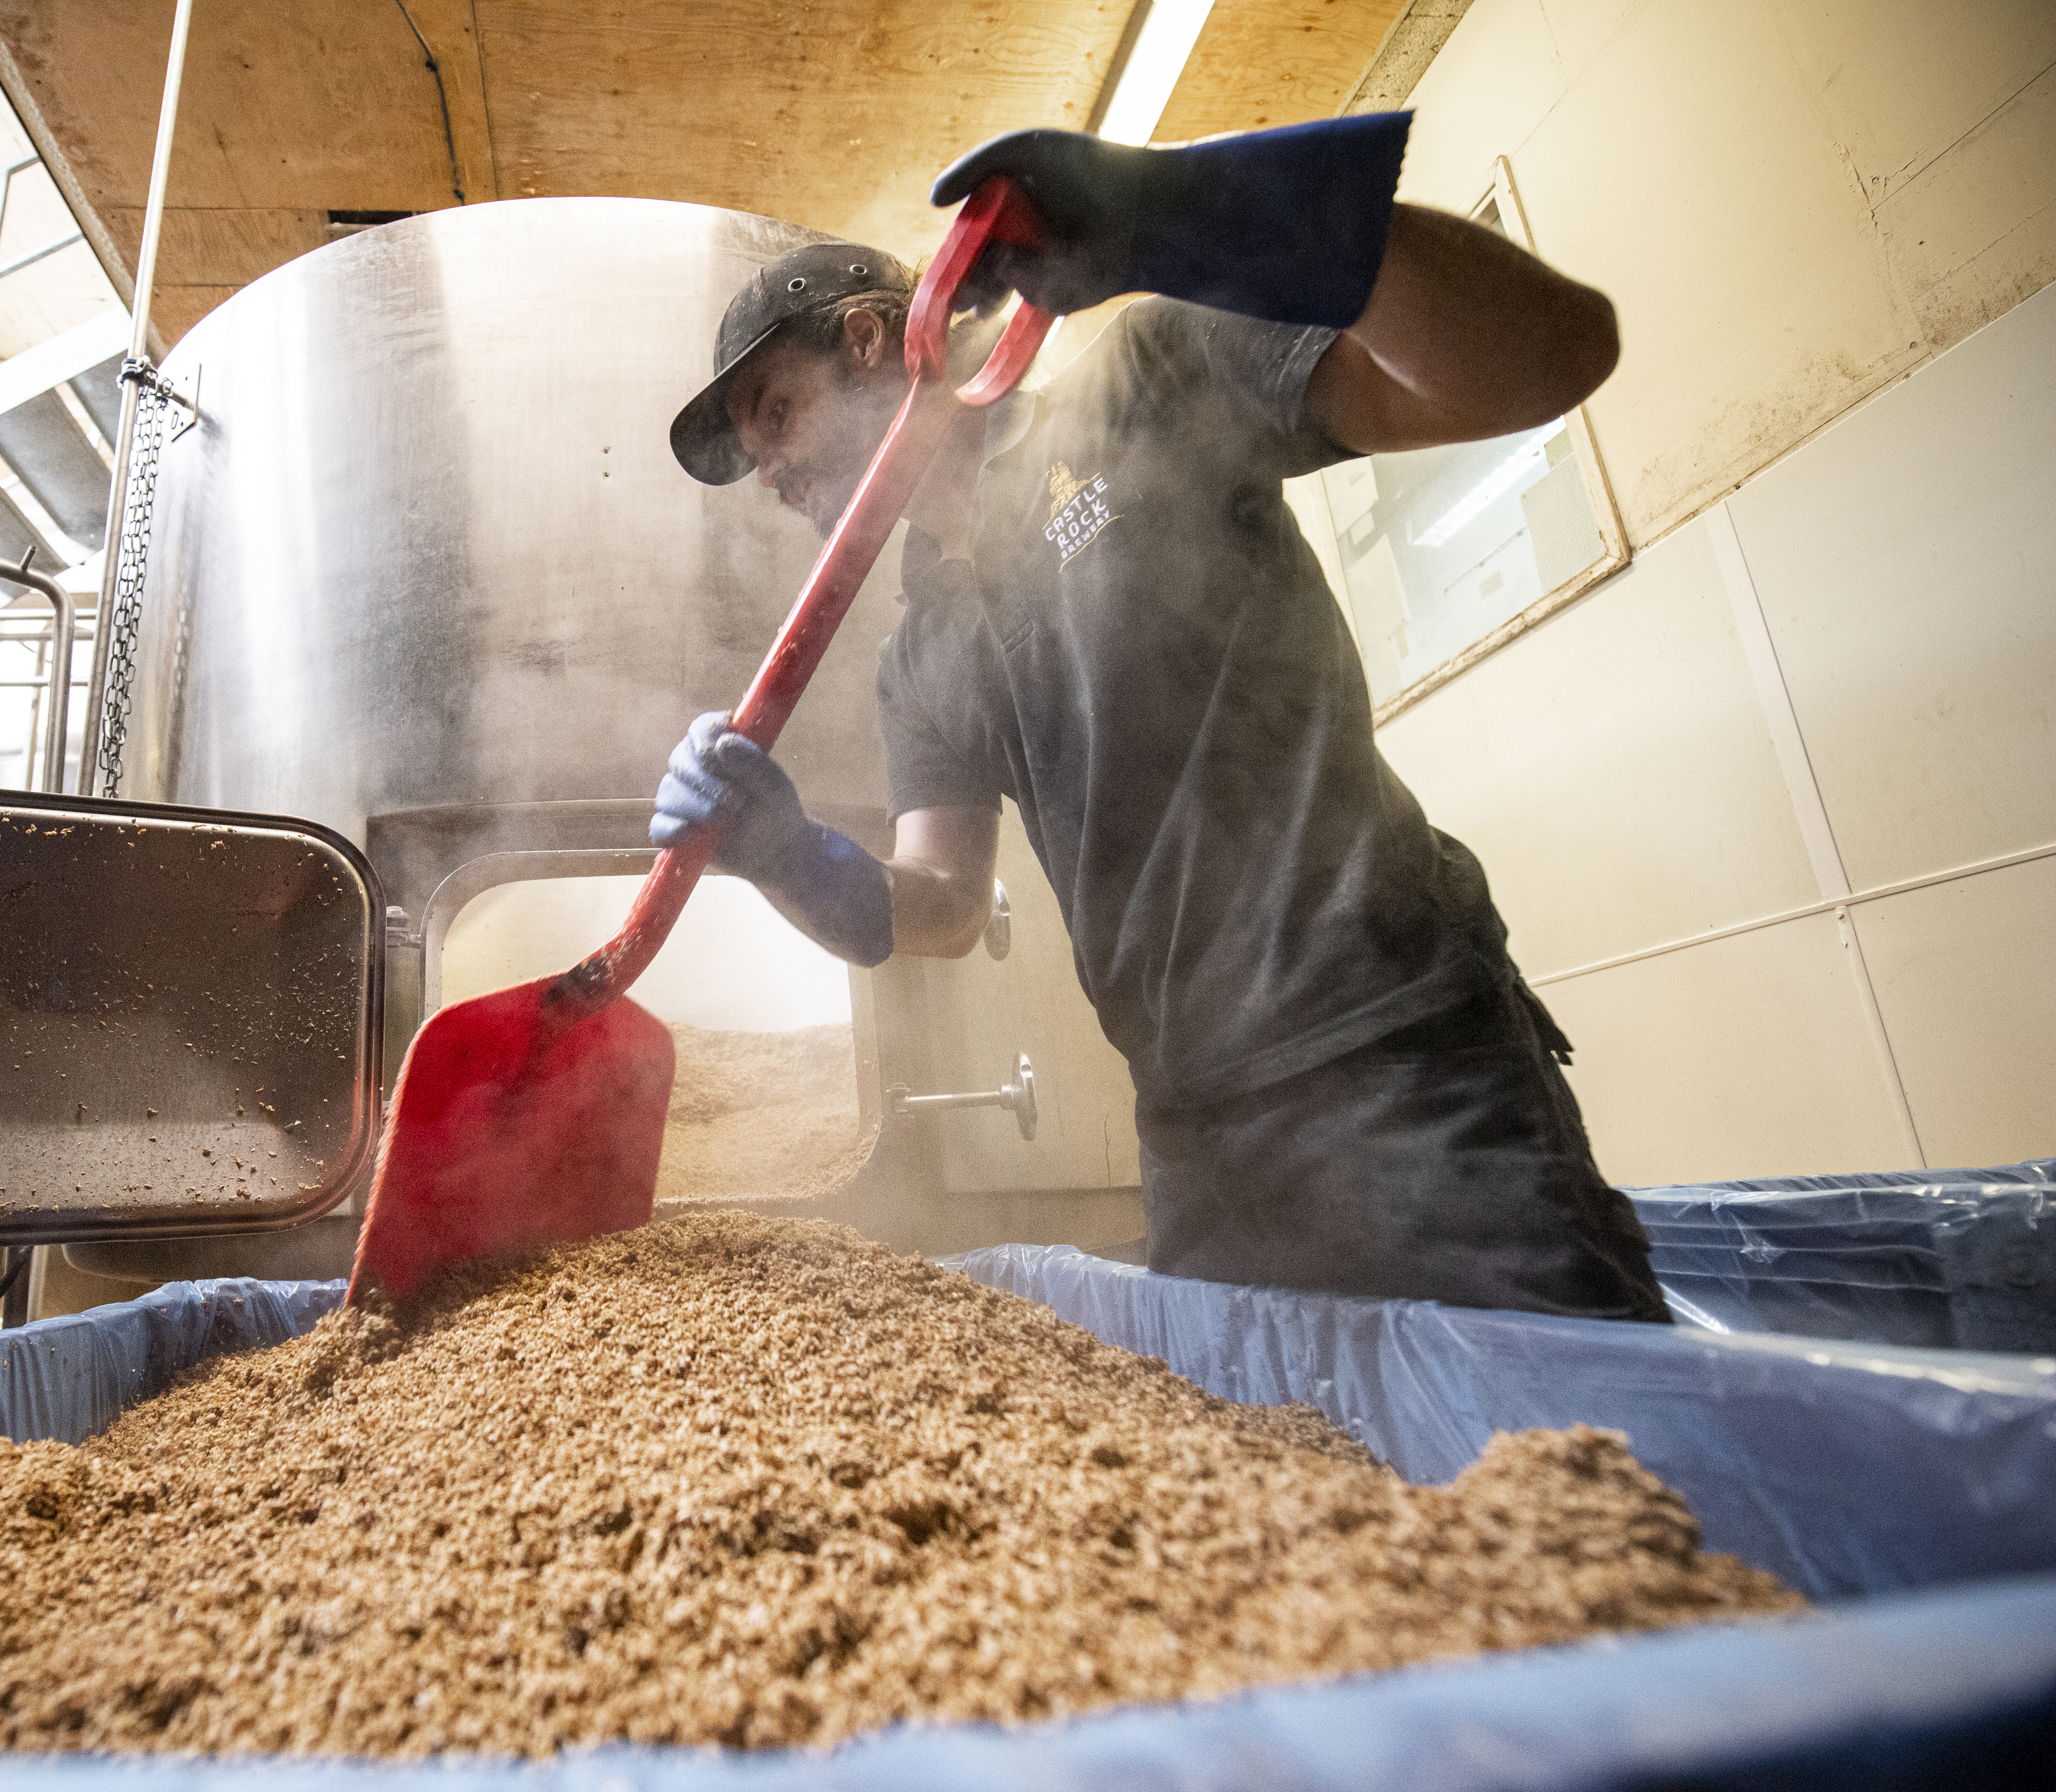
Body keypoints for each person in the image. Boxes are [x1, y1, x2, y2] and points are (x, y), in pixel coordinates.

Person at [651, 117, 1667, 1321]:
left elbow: (1553, 354)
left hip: (1396, 1059)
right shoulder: (924, 650)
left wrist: (1210, 221)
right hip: (1198, 1130)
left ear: (872, 339)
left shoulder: (1146, 388)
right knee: (1276, 1493)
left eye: (773, 417)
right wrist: (789, 857)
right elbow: (944, 906)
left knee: (1574, 1470)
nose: (768, 472)